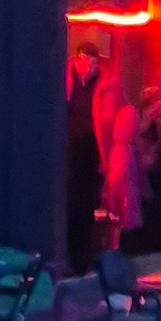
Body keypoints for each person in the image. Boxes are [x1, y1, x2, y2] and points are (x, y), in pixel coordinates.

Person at [66, 43, 106, 271]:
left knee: (86, 207)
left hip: (90, 154)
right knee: (69, 206)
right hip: (69, 153)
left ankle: (82, 260)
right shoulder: (67, 80)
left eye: (93, 61)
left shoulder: (102, 84)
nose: (89, 65)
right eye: (85, 59)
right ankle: (71, 257)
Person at [97, 70, 143, 241]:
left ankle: (120, 243)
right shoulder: (125, 112)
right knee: (120, 202)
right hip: (120, 157)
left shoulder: (123, 112)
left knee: (121, 202)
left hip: (120, 157)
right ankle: (119, 243)